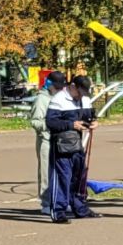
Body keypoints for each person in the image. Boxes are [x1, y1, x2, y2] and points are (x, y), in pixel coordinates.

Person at [43, 73, 96, 223]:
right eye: (80, 93)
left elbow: (90, 116)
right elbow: (50, 123)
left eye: (85, 93)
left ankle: (80, 208)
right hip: (61, 145)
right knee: (62, 178)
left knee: (78, 177)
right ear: (73, 87)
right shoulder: (58, 99)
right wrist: (71, 125)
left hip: (78, 144)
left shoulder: (84, 98)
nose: (82, 97)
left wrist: (93, 122)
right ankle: (58, 211)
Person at [29, 75, 53, 210]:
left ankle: (58, 200)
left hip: (58, 140)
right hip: (45, 139)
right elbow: (35, 121)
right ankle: (46, 203)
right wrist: (50, 125)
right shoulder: (41, 99)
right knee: (45, 172)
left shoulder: (58, 98)